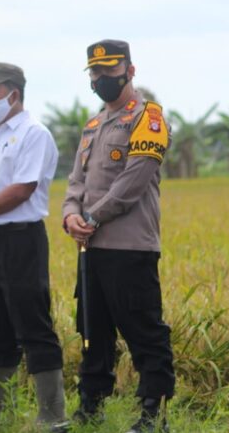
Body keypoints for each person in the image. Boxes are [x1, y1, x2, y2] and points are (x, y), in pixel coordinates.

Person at [62, 39, 175, 433]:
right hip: (91, 247)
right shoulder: (93, 126)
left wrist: (91, 215)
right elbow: (76, 181)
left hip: (130, 247)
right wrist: (70, 215)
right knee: (92, 331)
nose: (102, 78)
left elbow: (134, 180)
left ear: (130, 70)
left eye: (110, 70)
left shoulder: (149, 118)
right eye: (95, 72)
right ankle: (89, 408)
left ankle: (152, 414)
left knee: (144, 330)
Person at [0, 63, 69, 433]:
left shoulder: (34, 134)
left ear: (13, 94)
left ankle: (52, 416)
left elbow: (22, 189)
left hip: (20, 239)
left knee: (33, 323)